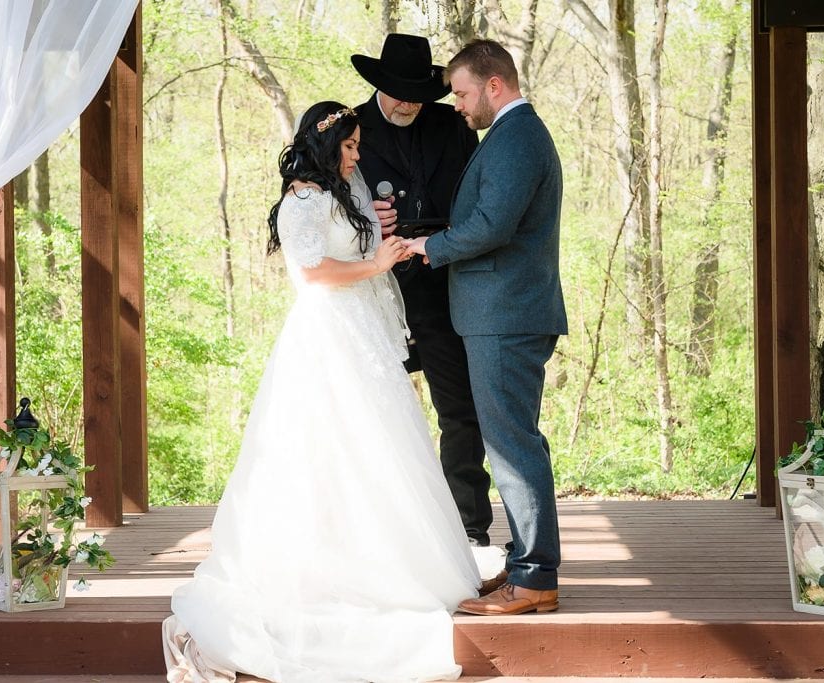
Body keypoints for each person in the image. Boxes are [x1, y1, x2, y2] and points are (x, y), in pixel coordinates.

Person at [163, 101, 481, 682]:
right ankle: (329, 566)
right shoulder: (301, 200)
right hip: (328, 332)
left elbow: (356, 246)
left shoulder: (342, 187)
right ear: (325, 144)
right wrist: (375, 261)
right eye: (352, 146)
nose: (358, 156)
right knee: (331, 445)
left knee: (382, 444)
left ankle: (390, 558)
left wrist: (376, 230)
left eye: (359, 146)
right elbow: (312, 273)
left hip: (362, 329)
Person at [404, 39, 568, 616]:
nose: (459, 104)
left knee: (512, 445)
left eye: (464, 92)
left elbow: (493, 224)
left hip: (507, 315)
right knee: (511, 441)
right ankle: (528, 566)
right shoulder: (507, 135)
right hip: (502, 313)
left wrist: (430, 245)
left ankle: (534, 578)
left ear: (494, 84)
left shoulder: (518, 136)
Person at [351, 34, 495, 552]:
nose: (409, 102)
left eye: (418, 93)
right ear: (378, 85)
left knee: (460, 408)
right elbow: (309, 204)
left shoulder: (452, 125)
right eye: (398, 92)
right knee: (370, 411)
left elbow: (477, 199)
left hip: (441, 286)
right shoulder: (347, 129)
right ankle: (377, 528)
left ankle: (468, 528)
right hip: (372, 291)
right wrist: (369, 221)